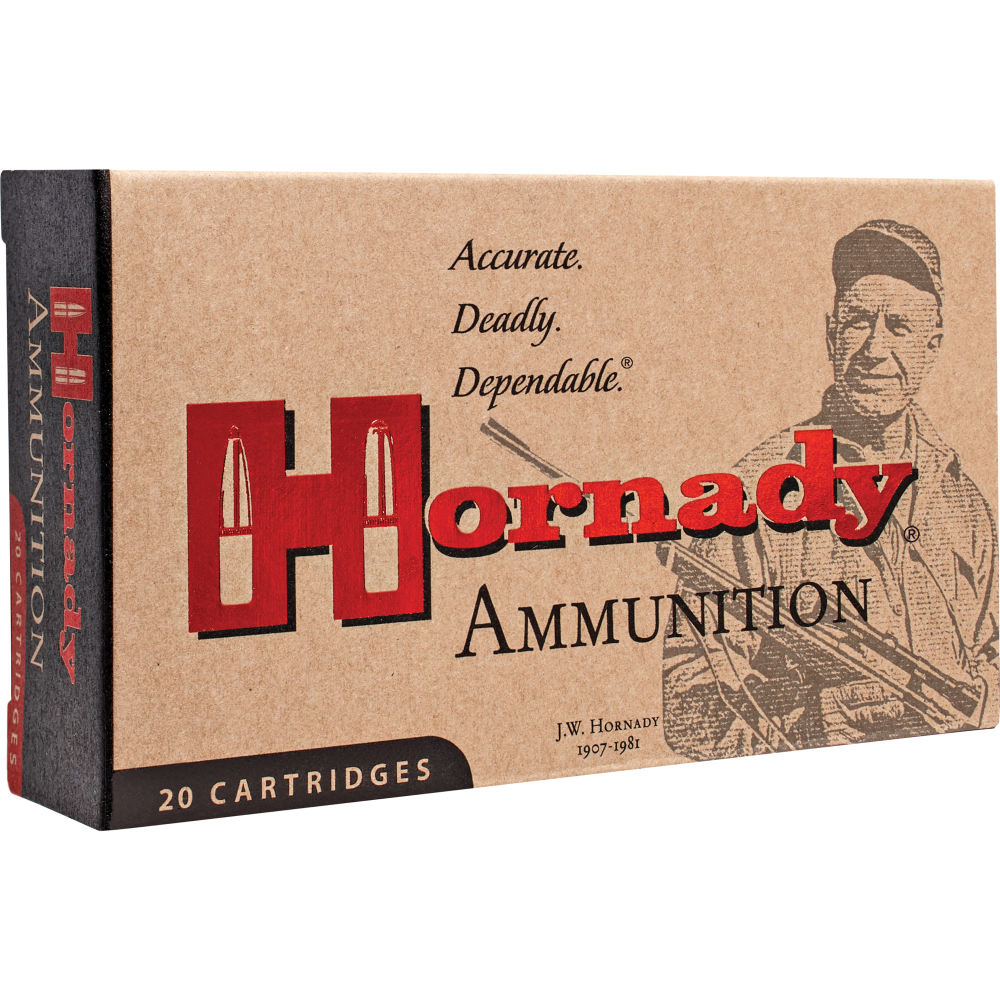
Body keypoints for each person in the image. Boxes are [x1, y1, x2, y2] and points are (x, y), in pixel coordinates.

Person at [660, 220, 998, 759]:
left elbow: (992, 654)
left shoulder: (963, 501)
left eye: (899, 327)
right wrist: (817, 725)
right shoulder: (751, 494)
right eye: (858, 322)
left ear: (932, 346)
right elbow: (689, 715)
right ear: (830, 334)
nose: (875, 348)